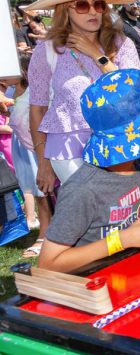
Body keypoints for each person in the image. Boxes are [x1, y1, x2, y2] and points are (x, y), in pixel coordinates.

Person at [38, 70, 140, 273]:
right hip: (96, 283)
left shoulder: (137, 163)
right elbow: (48, 264)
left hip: (132, 270)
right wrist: (122, 241)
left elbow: (123, 222)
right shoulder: (83, 190)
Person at [27, 0, 140, 194]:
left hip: (117, 139)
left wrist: (96, 55)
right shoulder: (47, 50)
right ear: (65, 10)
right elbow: (37, 108)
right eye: (82, 5)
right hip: (66, 146)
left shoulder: (121, 44)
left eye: (98, 5)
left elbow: (132, 92)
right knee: (89, 210)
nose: (92, 12)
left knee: (119, 209)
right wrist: (43, 161)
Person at [3, 55, 52, 258]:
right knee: (34, 189)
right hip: (22, 145)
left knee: (44, 192)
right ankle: (45, 232)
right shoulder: (12, 90)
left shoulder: (35, 92)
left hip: (37, 145)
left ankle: (46, 235)